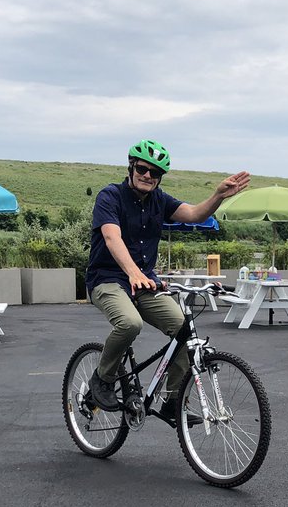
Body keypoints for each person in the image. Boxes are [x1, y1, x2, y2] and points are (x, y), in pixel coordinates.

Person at [85, 139, 250, 421]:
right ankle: (102, 379)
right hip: (108, 279)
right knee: (130, 323)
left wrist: (218, 195)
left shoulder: (159, 200)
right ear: (131, 167)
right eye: (142, 169)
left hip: (145, 284)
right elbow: (112, 237)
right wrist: (133, 272)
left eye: (155, 172)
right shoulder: (110, 196)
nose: (148, 175)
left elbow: (194, 214)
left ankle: (174, 402)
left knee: (184, 331)